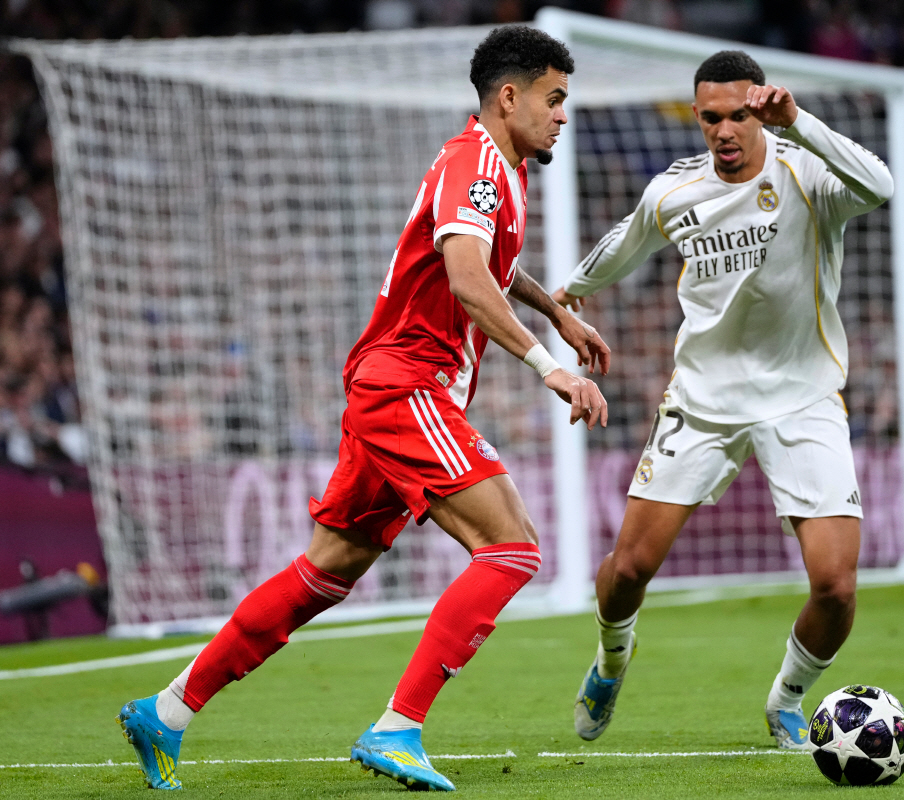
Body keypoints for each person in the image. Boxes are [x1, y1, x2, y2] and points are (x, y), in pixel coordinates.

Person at [116, 26, 611, 792]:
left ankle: (168, 710)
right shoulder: (476, 164)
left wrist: (558, 314)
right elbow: (468, 278)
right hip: (409, 383)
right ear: (509, 97)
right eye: (554, 99)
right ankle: (397, 727)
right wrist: (548, 365)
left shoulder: (500, 172)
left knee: (327, 571)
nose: (562, 115)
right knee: (511, 548)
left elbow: (495, 266)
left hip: (390, 386)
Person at [553, 51, 893, 751]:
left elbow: (880, 185)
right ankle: (612, 659)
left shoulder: (807, 173)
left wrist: (798, 122)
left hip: (803, 398)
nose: (725, 131)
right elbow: (625, 241)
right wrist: (571, 290)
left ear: (763, 107)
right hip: (703, 399)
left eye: (740, 115)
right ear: (697, 116)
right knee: (628, 570)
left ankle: (788, 698)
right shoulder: (676, 190)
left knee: (836, 586)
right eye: (711, 118)